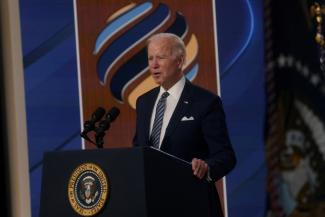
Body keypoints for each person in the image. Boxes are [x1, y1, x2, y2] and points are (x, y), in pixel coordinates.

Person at [133, 33, 236, 216]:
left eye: (161, 57)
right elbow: (138, 148)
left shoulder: (205, 102)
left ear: (179, 61)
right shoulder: (144, 102)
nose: (154, 65)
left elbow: (226, 155)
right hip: (151, 204)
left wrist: (206, 167)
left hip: (192, 202)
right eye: (150, 58)